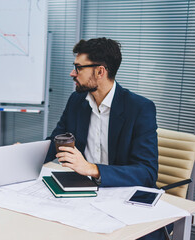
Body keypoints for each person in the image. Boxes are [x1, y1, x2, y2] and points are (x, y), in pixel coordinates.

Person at [45, 37, 158, 188]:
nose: (73, 73)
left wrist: (92, 169)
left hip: (121, 193)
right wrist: (25, 153)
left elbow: (147, 173)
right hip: (82, 188)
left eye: (79, 68)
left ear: (100, 71)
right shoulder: (77, 101)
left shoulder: (139, 108)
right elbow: (56, 142)